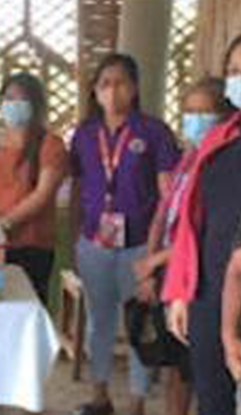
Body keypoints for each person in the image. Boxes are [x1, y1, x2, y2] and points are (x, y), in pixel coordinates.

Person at [69, 53, 180, 415]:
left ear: (134, 89)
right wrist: (76, 239)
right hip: (94, 244)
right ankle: (100, 396)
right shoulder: (84, 134)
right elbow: (77, 188)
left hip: (139, 248)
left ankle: (136, 403)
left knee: (139, 326)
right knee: (98, 323)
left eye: (120, 83)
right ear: (95, 91)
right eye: (104, 84)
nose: (112, 91)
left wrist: (157, 256)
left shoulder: (155, 132)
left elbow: (169, 198)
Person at [131, 77, 232, 415]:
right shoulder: (187, 158)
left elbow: (205, 233)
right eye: (189, 111)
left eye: (205, 112)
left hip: (201, 277)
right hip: (171, 275)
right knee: (177, 364)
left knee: (203, 372)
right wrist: (151, 266)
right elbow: (164, 215)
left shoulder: (223, 162)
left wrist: (156, 260)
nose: (195, 120)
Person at [163, 32, 241, 415]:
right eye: (234, 71)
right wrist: (182, 291)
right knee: (213, 400)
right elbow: (191, 224)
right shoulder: (219, 141)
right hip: (210, 291)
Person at [0, 72, 67, 304]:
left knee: (25, 306)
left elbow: (42, 194)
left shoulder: (50, 145)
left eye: (22, 100)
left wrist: (5, 223)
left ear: (36, 105)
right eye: (9, 98)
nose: (14, 105)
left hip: (31, 246)